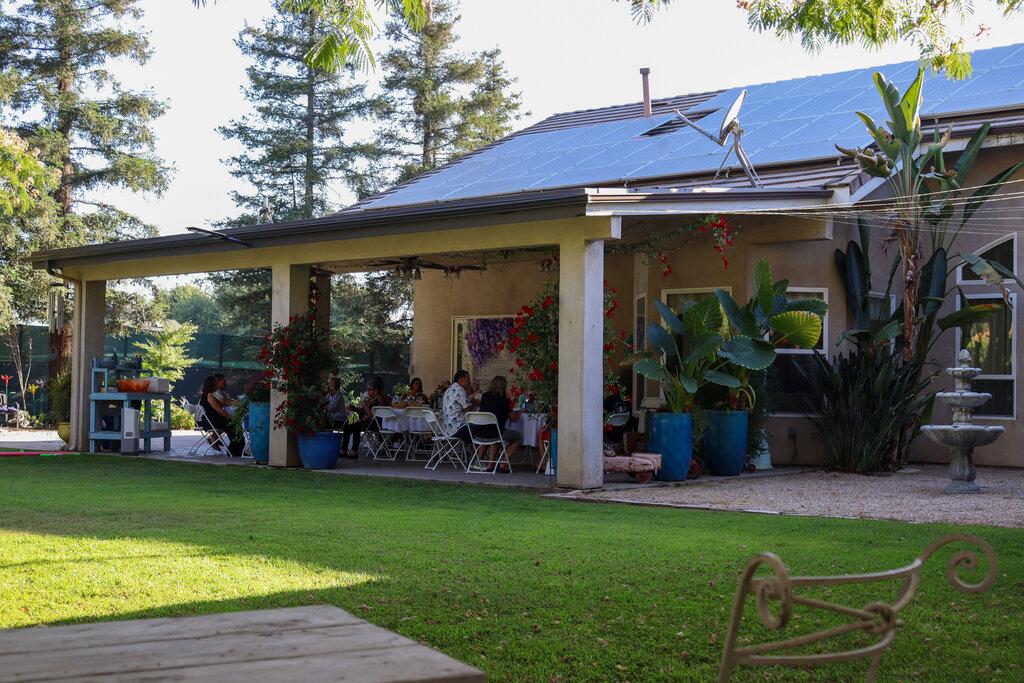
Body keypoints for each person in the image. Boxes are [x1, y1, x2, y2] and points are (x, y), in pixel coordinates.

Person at [477, 375, 522, 469]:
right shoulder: (504, 400)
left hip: (481, 432)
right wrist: (520, 413)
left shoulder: (484, 396)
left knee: (495, 435)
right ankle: (503, 463)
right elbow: (514, 419)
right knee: (517, 437)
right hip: (496, 432)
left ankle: (483, 463)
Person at [340, 377, 390, 458]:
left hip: (375, 423)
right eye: (367, 389)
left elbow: (372, 414)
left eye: (369, 389)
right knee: (348, 425)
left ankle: (354, 451)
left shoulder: (380, 400)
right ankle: (343, 449)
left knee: (356, 426)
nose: (367, 391)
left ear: (376, 390)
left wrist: (364, 405)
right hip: (366, 422)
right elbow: (363, 411)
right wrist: (354, 408)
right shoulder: (371, 399)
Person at [198, 375, 244, 457]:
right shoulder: (209, 395)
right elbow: (219, 410)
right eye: (215, 383)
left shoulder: (207, 395)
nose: (217, 385)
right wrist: (230, 417)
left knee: (233, 425)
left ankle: (236, 450)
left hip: (212, 420)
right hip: (212, 421)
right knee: (233, 425)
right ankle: (234, 450)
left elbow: (221, 405)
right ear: (211, 385)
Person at [440, 370, 477, 443]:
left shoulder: (449, 390)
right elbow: (469, 413)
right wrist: (475, 403)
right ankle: (477, 453)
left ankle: (473, 453)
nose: (470, 382)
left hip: (447, 429)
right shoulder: (460, 390)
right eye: (468, 379)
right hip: (457, 428)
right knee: (481, 427)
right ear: (461, 379)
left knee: (473, 430)